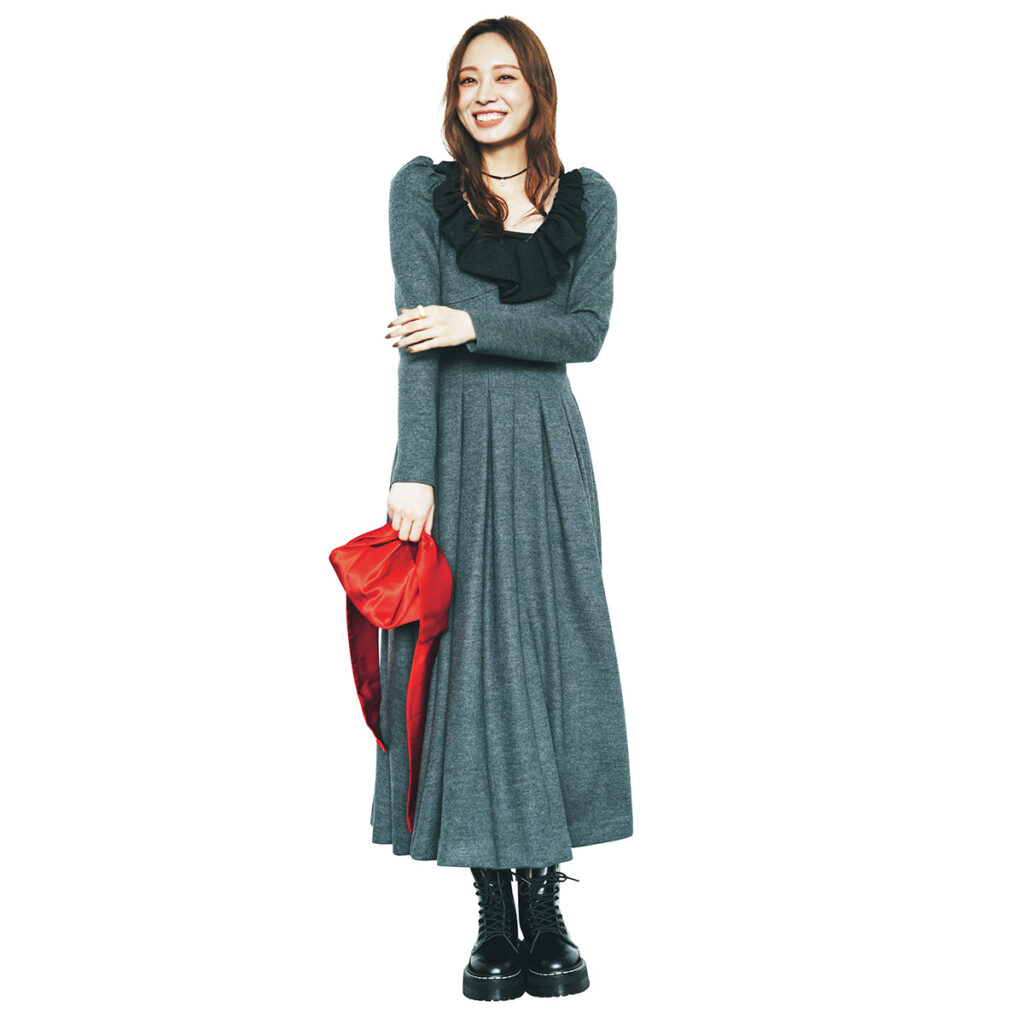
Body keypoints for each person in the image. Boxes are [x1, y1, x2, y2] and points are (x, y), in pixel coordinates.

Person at [376, 16, 632, 1001]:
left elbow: (586, 332)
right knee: (468, 665)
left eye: (505, 76)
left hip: (548, 449)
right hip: (451, 450)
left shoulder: (588, 199)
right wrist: (414, 468)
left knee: (554, 655)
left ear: (536, 91)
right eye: (468, 78)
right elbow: (418, 335)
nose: (485, 93)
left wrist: (472, 321)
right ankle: (493, 909)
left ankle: (546, 899)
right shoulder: (422, 192)